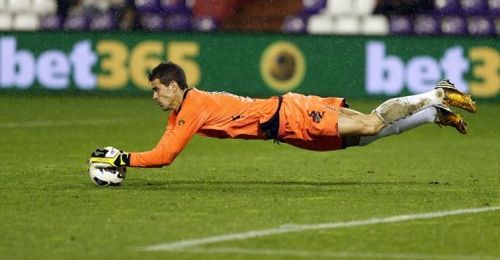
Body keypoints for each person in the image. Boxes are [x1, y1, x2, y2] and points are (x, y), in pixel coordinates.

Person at [89, 61, 477, 168]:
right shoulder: (183, 113)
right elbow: (162, 149)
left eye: (157, 89)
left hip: (291, 115)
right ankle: (431, 114)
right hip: (287, 128)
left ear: (174, 86)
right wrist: (126, 159)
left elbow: (164, 157)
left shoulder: (194, 106)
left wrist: (122, 158)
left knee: (372, 123)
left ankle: (437, 91)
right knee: (366, 136)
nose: (154, 96)